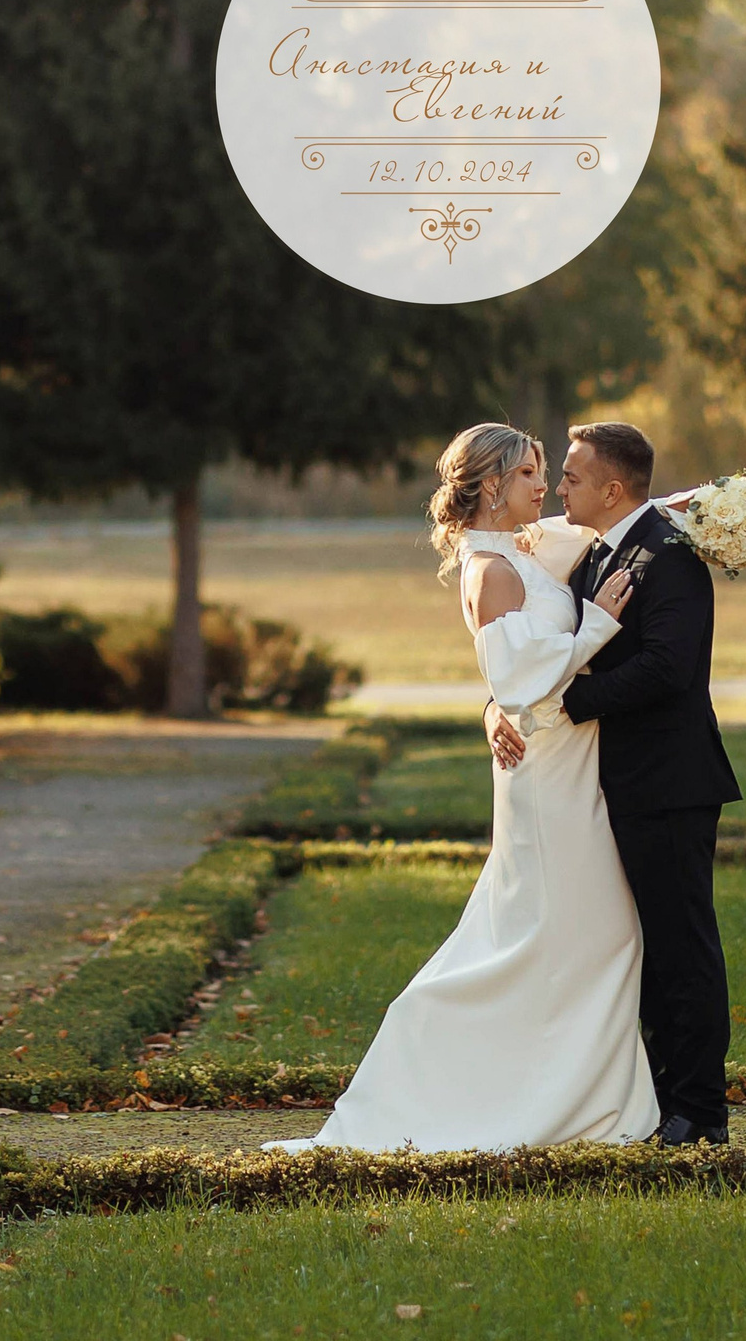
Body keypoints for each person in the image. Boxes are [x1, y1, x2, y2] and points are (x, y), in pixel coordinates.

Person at [263, 421, 661, 1155]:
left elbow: (634, 515)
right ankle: (477, 1070)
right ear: (489, 487)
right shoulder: (490, 569)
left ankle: (585, 1099)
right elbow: (518, 678)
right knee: (562, 932)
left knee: (593, 933)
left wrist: (725, 507)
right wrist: (599, 622)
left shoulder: (524, 546)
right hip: (547, 775)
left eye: (548, 473)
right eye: (528, 476)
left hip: (570, 761)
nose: (543, 489)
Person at [491, 420, 744, 1146]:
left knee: (682, 948)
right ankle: (664, 1100)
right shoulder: (600, 549)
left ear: (610, 488)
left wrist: (568, 704)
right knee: (648, 951)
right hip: (617, 784)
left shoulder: (669, 557)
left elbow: (667, 667)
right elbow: (539, 651)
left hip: (670, 779)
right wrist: (504, 706)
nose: (557, 487)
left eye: (569, 476)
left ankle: (701, 1110)